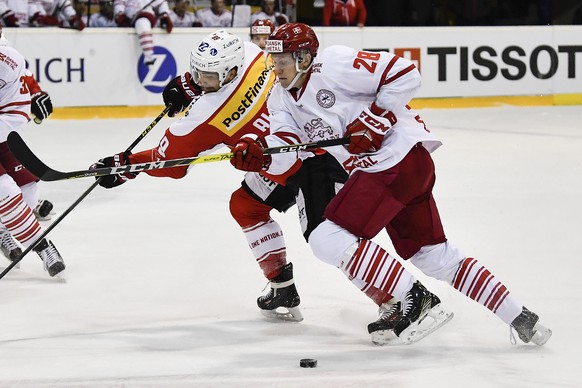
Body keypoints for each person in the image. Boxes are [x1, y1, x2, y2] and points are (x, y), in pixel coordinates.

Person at [230, 22, 553, 346]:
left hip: (395, 162)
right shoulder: (280, 97)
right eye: (273, 62)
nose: (276, 68)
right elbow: (289, 145)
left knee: (325, 235)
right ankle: (521, 317)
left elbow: (405, 73)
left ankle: (416, 299)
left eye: (283, 60)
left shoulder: (335, 63)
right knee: (432, 255)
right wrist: (261, 155)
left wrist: (374, 119)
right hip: (402, 171)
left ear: (303, 57)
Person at [91, 29, 356, 325]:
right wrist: (189, 85)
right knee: (245, 206)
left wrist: (126, 165)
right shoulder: (253, 55)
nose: (201, 81)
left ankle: (392, 292)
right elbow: (217, 82)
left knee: (326, 238)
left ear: (230, 71)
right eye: (198, 72)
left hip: (303, 165)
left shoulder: (203, 116)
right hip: (304, 141)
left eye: (208, 77)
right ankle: (282, 288)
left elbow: (172, 165)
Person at [0, 26, 65, 277]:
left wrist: (36, 93)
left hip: (4, 131)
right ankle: (44, 247)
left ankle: (4, 230)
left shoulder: (9, 58)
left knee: (28, 193)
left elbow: (22, 74)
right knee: (5, 191)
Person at [113, 0, 173, 65]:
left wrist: (164, 15)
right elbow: (119, 4)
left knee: (143, 23)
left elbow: (161, 3)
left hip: (146, 15)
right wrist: (120, 14)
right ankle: (149, 55)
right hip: (130, 19)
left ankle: (149, 56)